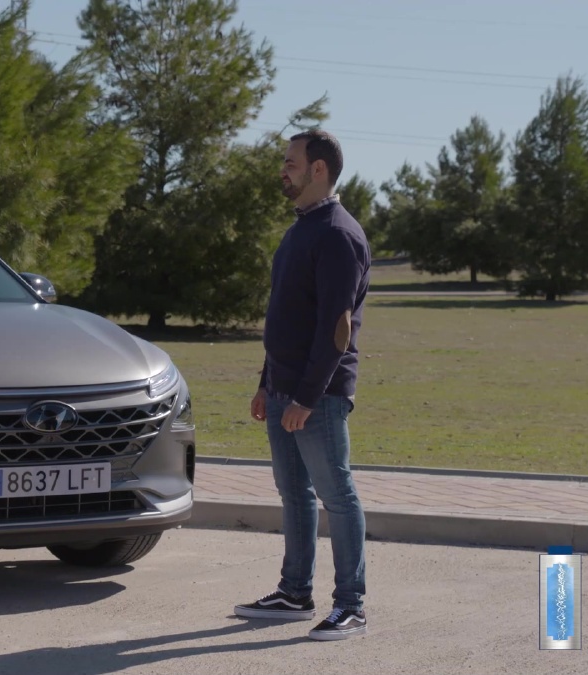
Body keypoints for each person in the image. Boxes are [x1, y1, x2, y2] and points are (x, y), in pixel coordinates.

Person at [233, 129, 371, 641]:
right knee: (294, 494)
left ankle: (352, 605)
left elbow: (337, 330)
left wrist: (308, 399)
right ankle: (294, 593)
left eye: (290, 162)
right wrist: (267, 385)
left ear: (318, 170)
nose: (282, 170)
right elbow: (286, 318)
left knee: (338, 495)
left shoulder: (338, 233)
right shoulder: (300, 230)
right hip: (283, 390)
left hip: (320, 396)